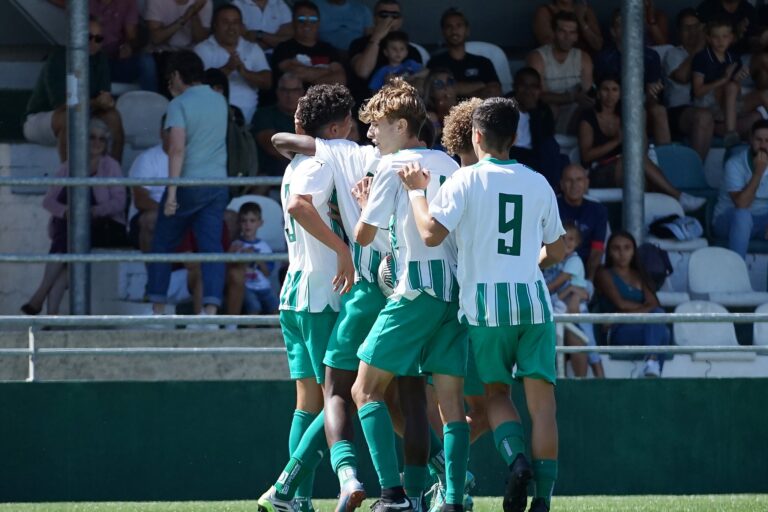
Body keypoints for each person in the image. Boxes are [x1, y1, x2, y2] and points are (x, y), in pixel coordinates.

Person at [398, 96, 566, 512]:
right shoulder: (538, 181)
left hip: (487, 309)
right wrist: (532, 260)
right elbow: (558, 249)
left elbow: (431, 234)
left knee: (495, 395)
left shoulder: (465, 180)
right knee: (543, 407)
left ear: (475, 136)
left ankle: (517, 460)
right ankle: (543, 500)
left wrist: (418, 194)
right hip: (534, 303)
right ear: (514, 137)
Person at [351, 78, 466, 512]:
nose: (371, 133)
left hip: (415, 290)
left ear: (401, 125)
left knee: (365, 391)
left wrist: (364, 206)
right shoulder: (450, 164)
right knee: (450, 404)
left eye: (377, 125)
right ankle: (452, 496)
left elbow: (363, 236)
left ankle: (392, 495)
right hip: (454, 293)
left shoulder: (392, 165)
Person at [256, 84, 357, 512]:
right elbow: (300, 206)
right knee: (341, 396)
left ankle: (296, 499)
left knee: (308, 403)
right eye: (350, 122)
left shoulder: (299, 159)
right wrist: (341, 248)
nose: (355, 130)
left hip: (296, 292)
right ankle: (285, 488)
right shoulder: (318, 159)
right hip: (322, 295)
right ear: (334, 127)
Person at [146, 50, 229, 321]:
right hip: (217, 183)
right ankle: (210, 313)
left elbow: (176, 149)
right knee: (211, 248)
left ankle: (157, 310)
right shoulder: (220, 100)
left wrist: (171, 192)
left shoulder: (178, 104)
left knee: (162, 243)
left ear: (176, 75)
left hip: (188, 184)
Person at [21, 119, 127, 316]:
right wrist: (67, 211)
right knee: (68, 246)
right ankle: (52, 316)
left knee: (67, 238)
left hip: (105, 225)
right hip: (71, 226)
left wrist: (94, 211)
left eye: (102, 140)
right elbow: (49, 201)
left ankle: (40, 296)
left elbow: (119, 202)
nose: (97, 142)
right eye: (91, 137)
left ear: (106, 144)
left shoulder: (110, 166)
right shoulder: (69, 166)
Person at [578, 74, 707, 212]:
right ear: (598, 93)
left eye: (615, 90)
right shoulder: (588, 118)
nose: (610, 94)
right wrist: (617, 141)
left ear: (621, 93)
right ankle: (678, 197)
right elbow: (586, 156)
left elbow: (642, 148)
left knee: (642, 173)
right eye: (605, 89)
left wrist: (639, 129)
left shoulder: (625, 115)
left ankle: (656, 220)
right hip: (598, 171)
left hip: (626, 168)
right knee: (635, 162)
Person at [23, 17, 124, 163]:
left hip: (85, 114)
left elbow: (104, 96)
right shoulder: (59, 57)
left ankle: (114, 178)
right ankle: (68, 179)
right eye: (88, 37)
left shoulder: (100, 59)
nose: (92, 42)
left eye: (98, 38)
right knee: (71, 118)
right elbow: (63, 105)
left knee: (114, 117)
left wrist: (107, 101)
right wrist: (97, 102)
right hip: (42, 119)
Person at [595, 231, 671, 378]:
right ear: (609, 252)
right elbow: (621, 303)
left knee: (661, 323)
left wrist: (619, 315)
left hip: (638, 327)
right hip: (618, 331)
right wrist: (642, 311)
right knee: (662, 330)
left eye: (627, 248)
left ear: (633, 251)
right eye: (616, 248)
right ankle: (653, 371)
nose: (622, 253)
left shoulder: (639, 274)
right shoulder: (603, 273)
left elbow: (654, 303)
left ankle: (651, 364)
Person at [595, 9, 670, 146]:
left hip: (643, 103)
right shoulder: (605, 58)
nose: (626, 28)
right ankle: (640, 162)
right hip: (615, 106)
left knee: (659, 111)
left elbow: (653, 100)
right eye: (620, 24)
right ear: (613, 31)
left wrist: (652, 94)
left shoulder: (651, 56)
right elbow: (602, 97)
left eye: (631, 24)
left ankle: (666, 162)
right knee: (637, 112)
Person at [542, 222, 604, 378]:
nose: (566, 242)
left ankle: (602, 378)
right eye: (562, 238)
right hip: (558, 305)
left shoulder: (575, 261)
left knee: (590, 344)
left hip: (577, 310)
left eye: (571, 239)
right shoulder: (548, 260)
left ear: (578, 243)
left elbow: (555, 284)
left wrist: (540, 295)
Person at [194, 4, 272, 124]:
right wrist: (227, 68)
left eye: (235, 22)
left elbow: (267, 82)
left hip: (249, 119)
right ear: (214, 25)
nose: (231, 28)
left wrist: (244, 72)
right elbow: (196, 87)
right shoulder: (202, 50)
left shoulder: (252, 48)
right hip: (213, 118)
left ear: (241, 26)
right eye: (225, 22)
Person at [691, 18, 756, 148]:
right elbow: (697, 92)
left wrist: (737, 78)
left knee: (760, 106)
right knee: (730, 86)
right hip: (707, 105)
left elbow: (734, 87)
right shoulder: (702, 57)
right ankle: (730, 133)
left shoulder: (734, 58)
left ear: (731, 38)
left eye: (725, 36)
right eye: (716, 37)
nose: (721, 41)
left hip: (727, 107)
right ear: (708, 38)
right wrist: (723, 80)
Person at [527, 11, 594, 135]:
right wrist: (573, 97)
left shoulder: (583, 58)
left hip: (575, 112)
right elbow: (537, 96)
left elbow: (586, 94)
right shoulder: (538, 57)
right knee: (550, 109)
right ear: (554, 32)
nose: (567, 37)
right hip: (547, 113)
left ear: (577, 36)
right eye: (562, 31)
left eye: (572, 32)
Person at [662, 9, 714, 160]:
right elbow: (682, 77)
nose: (692, 32)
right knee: (703, 116)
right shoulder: (672, 53)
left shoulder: (712, 53)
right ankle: (695, 171)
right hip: (678, 111)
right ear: (679, 31)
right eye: (687, 28)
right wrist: (698, 48)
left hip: (709, 109)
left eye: (696, 27)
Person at [713, 119, 768, 259]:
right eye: (759, 140)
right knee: (743, 215)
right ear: (750, 140)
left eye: (767, 141)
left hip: (762, 222)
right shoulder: (735, 164)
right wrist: (758, 173)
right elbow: (741, 204)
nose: (763, 146)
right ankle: (736, 273)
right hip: (729, 221)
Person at [348, 0, 421, 105]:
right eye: (384, 15)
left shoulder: (411, 50)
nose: (389, 19)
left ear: (401, 20)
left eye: (395, 15)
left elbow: (420, 80)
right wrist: (376, 38)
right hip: (366, 106)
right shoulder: (359, 44)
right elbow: (363, 72)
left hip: (403, 105)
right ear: (374, 18)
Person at [508, 67, 568, 190]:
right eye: (524, 85)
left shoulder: (543, 110)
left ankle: (551, 192)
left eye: (534, 86)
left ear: (539, 90)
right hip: (510, 154)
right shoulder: (503, 106)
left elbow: (542, 140)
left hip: (534, 155)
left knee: (553, 149)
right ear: (514, 86)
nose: (528, 91)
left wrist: (533, 112)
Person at [428, 8, 501, 100]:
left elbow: (495, 91)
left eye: (459, 26)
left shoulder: (483, 62)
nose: (454, 30)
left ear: (467, 30)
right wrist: (481, 85)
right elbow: (435, 92)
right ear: (443, 32)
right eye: (449, 26)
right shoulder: (435, 62)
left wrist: (458, 92)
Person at [271, 1, 347, 88]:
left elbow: (340, 80)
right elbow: (296, 73)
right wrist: (327, 71)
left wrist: (307, 76)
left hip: (323, 100)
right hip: (295, 99)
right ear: (293, 22)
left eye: (313, 20)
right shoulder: (283, 48)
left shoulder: (328, 49)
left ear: (318, 23)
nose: (307, 24)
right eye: (301, 19)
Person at [226, 202, 279, 317]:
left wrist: (256, 259)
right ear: (239, 223)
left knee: (276, 307)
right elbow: (229, 269)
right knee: (254, 307)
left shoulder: (264, 246)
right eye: (244, 221)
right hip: (247, 287)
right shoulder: (236, 245)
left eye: (252, 220)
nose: (247, 225)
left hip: (264, 286)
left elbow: (267, 272)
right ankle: (250, 333)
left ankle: (274, 334)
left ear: (260, 223)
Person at [252, 74, 304, 188]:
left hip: (306, 181)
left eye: (294, 90)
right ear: (277, 92)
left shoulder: (311, 117)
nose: (289, 95)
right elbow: (272, 147)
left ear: (301, 93)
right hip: (271, 181)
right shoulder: (264, 114)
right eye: (285, 90)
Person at [557, 164, 607, 281]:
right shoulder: (551, 207)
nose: (574, 185)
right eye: (569, 180)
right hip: (554, 267)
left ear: (586, 183)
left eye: (579, 180)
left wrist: (588, 280)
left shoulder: (598, 210)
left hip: (584, 268)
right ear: (562, 184)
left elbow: (597, 250)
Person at [128, 116, 169, 253]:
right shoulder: (147, 159)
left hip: (183, 216)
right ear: (161, 133)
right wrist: (170, 212)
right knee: (151, 219)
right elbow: (140, 200)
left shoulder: (193, 159)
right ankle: (154, 273)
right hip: (151, 216)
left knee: (229, 218)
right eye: (170, 130)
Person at [533, 0, 603, 54]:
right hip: (555, 64)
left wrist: (581, 20)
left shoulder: (585, 11)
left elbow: (598, 45)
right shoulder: (545, 11)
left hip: (585, 64)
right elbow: (548, 45)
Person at [423, 69, 458, 150]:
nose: (446, 87)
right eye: (439, 84)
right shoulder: (429, 116)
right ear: (431, 91)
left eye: (450, 82)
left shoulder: (465, 110)